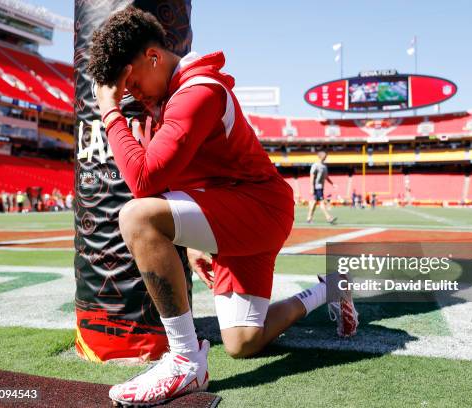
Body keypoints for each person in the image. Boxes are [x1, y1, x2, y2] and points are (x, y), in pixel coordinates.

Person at [88, 7, 358, 406]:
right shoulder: (168, 97)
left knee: (137, 216)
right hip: (233, 210)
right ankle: (328, 290)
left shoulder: (198, 90)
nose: (131, 95)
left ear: (153, 57)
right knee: (242, 342)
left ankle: (184, 360)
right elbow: (183, 176)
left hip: (258, 209)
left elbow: (144, 182)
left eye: (132, 83)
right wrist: (198, 242)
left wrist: (109, 111)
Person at [306, 151, 337, 224]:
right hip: (317, 188)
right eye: (324, 155)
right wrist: (311, 188)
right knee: (322, 203)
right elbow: (312, 177)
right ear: (320, 156)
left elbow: (326, 177)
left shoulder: (324, 167)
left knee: (313, 203)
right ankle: (329, 218)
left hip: (320, 188)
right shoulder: (315, 165)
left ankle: (309, 218)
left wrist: (332, 184)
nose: (326, 156)